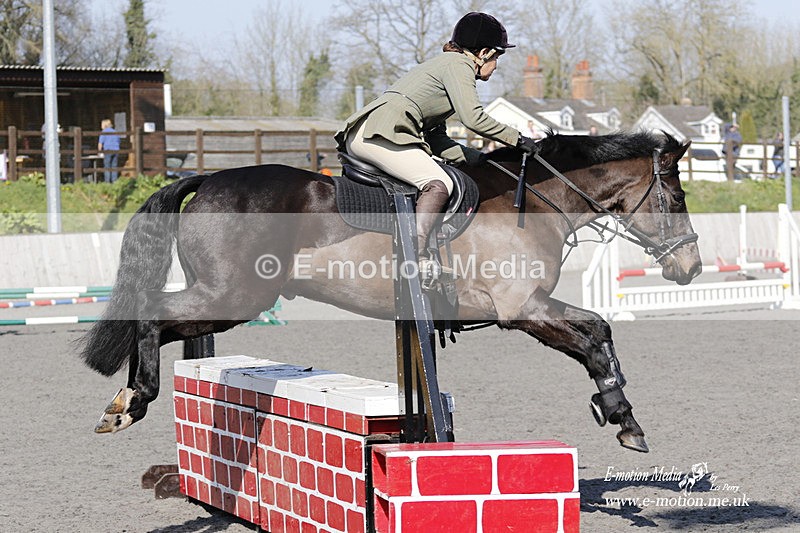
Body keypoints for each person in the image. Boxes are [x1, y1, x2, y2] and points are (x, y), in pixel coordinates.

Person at [335, 12, 538, 274]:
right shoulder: (460, 65)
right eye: (497, 57)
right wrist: (517, 139)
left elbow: (437, 140)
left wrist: (480, 159)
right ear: (484, 53)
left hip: (370, 132)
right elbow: (473, 119)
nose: (496, 65)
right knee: (439, 183)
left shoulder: (445, 66)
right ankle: (417, 257)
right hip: (381, 134)